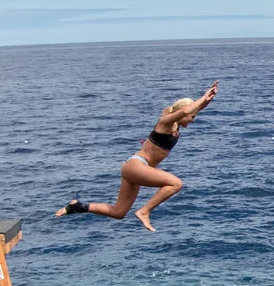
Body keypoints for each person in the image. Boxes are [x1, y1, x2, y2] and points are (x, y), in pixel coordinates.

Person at [56, 79, 218, 232]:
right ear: (182, 114)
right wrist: (202, 96)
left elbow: (190, 111)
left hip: (135, 169)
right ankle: (144, 212)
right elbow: (186, 110)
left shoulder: (177, 125)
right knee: (175, 184)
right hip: (137, 165)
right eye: (192, 117)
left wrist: (208, 99)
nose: (193, 120)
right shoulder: (166, 123)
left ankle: (76, 207)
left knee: (119, 212)